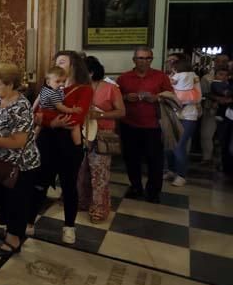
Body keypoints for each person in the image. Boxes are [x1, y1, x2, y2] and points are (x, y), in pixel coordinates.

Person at [31, 50, 93, 244]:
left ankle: (69, 226)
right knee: (39, 183)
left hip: (68, 145)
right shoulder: (49, 88)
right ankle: (29, 221)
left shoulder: (84, 89)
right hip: (47, 141)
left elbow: (76, 117)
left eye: (62, 61)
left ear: (74, 65)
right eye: (56, 61)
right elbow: (35, 115)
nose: (58, 64)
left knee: (69, 185)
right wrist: (52, 123)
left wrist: (49, 119)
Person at [0, 63, 41, 257]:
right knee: (3, 200)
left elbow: (18, 141)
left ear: (10, 85)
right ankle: (9, 230)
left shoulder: (21, 105)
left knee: (17, 202)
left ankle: (14, 239)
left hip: (21, 164)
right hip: (1, 161)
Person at [117, 46, 174, 203]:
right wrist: (126, 97)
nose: (144, 61)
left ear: (151, 59)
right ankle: (136, 187)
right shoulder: (124, 78)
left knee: (154, 160)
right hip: (129, 124)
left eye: (147, 58)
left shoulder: (160, 76)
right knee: (131, 159)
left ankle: (153, 192)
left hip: (153, 125)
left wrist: (157, 98)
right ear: (134, 60)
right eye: (141, 58)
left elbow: (171, 96)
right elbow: (115, 98)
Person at [79, 56, 125, 222]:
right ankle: (82, 201)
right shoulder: (78, 88)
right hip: (81, 134)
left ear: (90, 73)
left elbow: (121, 112)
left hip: (102, 134)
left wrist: (100, 114)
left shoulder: (110, 88)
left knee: (99, 173)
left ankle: (100, 207)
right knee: (80, 171)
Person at [165, 58, 201, 187]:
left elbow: (197, 96)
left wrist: (181, 104)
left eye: (172, 62)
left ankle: (181, 175)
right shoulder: (172, 76)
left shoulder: (193, 77)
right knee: (168, 145)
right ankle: (171, 170)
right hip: (172, 115)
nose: (170, 64)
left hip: (188, 116)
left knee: (179, 146)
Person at [33, 65, 82, 145]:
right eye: (58, 81)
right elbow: (60, 107)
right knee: (74, 125)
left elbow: (36, 102)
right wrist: (72, 110)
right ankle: (78, 145)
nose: (61, 84)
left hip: (41, 113)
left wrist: (32, 111)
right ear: (48, 82)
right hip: (50, 114)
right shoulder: (54, 94)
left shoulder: (44, 90)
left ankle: (32, 141)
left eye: (63, 81)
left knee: (39, 127)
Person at [200, 54, 230, 164]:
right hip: (210, 109)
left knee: (226, 137)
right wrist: (217, 99)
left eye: (224, 61)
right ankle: (207, 158)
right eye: (219, 61)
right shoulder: (206, 78)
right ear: (215, 62)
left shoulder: (230, 78)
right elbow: (204, 93)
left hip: (228, 111)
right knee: (206, 134)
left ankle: (225, 160)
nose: (221, 63)